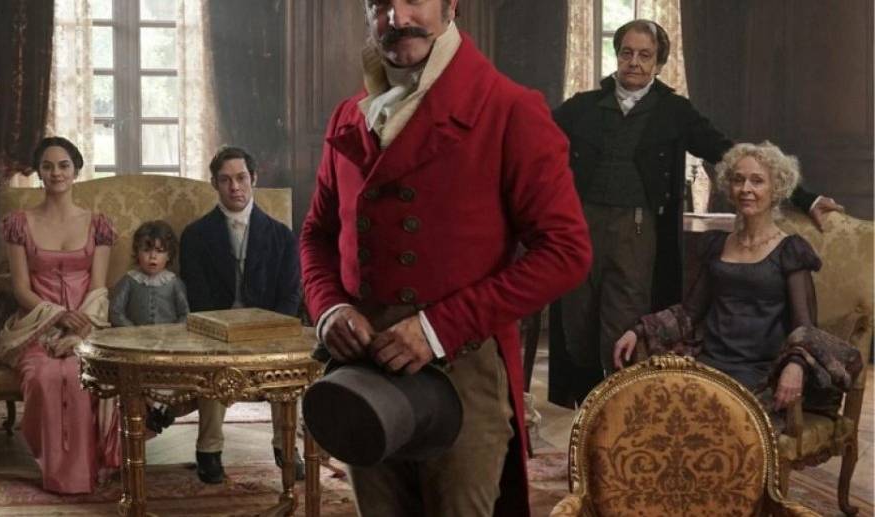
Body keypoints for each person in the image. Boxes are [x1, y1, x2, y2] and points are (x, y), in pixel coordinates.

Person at [299, 1, 592, 515]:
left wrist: (437, 328)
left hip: (462, 364)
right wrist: (329, 308)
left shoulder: (508, 108)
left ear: (451, 4)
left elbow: (566, 251)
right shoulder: (350, 114)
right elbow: (317, 235)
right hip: (364, 364)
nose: (397, 17)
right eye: (380, 4)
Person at [549, 19, 845, 408]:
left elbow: (730, 154)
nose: (634, 62)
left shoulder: (673, 111)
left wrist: (805, 198)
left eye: (645, 55)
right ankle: (585, 418)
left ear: (658, 63)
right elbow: (534, 141)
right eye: (626, 53)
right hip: (579, 227)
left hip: (637, 232)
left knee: (620, 329)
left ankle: (620, 415)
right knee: (576, 324)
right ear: (616, 56)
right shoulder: (582, 107)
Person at [612, 142, 862, 422]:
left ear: (776, 189)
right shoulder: (716, 245)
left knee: (712, 425)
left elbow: (804, 326)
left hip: (760, 374)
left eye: (757, 181)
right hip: (708, 366)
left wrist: (796, 365)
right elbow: (690, 313)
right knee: (652, 416)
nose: (746, 189)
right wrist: (637, 331)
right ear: (729, 187)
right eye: (738, 180)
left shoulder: (790, 250)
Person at [0, 136, 120, 494]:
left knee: (81, 376)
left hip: (86, 324)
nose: (56, 173)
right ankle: (54, 470)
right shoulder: (20, 223)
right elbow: (21, 289)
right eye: (47, 166)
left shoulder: (97, 224)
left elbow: (99, 287)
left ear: (76, 171)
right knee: (45, 376)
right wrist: (58, 316)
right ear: (39, 173)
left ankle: (84, 471)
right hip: (36, 324)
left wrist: (78, 331)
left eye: (63, 165)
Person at [179, 145, 304, 484]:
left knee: (286, 363)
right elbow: (199, 298)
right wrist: (224, 332)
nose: (234, 187)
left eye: (241, 178)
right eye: (225, 180)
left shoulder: (281, 235)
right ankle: (209, 450)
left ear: (254, 179)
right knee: (214, 361)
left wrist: (271, 331)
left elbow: (291, 294)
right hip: (217, 332)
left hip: (269, 331)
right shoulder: (195, 236)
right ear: (214, 184)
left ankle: (286, 446)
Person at [109, 220, 190, 434]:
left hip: (167, 346)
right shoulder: (129, 281)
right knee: (136, 376)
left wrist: (172, 334)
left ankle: (162, 407)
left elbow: (185, 314)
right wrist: (133, 333)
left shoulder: (174, 283)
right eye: (146, 250)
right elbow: (116, 311)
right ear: (137, 252)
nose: (153, 257)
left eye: (160, 251)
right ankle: (149, 409)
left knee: (170, 375)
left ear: (169, 255)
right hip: (135, 346)